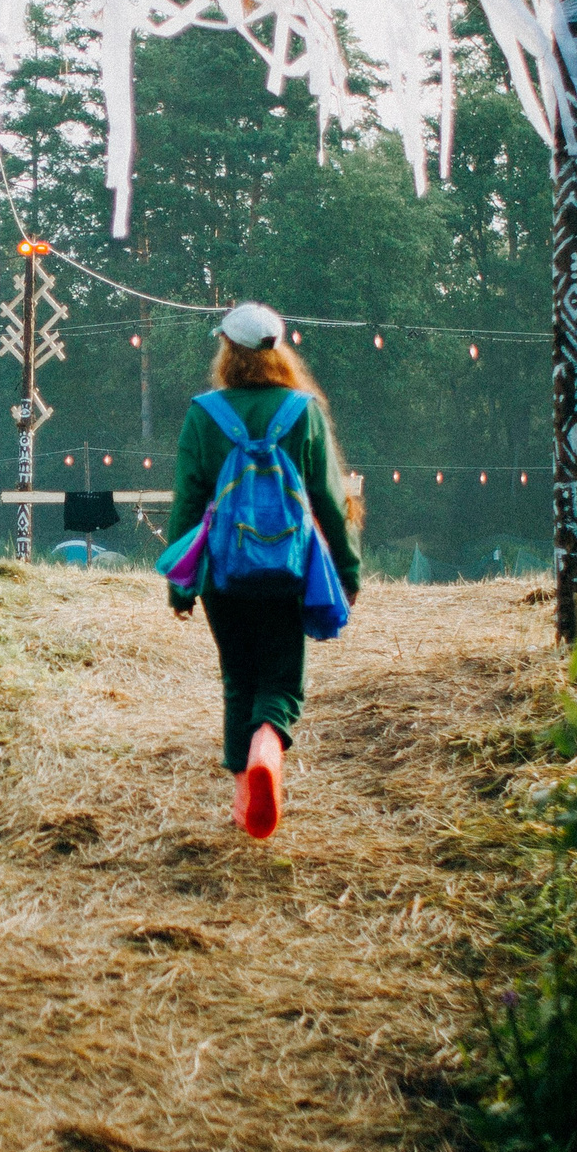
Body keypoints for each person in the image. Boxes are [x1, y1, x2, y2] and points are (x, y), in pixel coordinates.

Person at [165, 302, 362, 838]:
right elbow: (329, 499)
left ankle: (241, 797)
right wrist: (347, 570)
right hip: (288, 568)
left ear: (229, 351)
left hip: (222, 572)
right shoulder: (303, 411)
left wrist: (181, 584)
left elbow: (187, 504)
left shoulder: (204, 413)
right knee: (281, 678)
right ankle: (267, 751)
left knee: (239, 677)